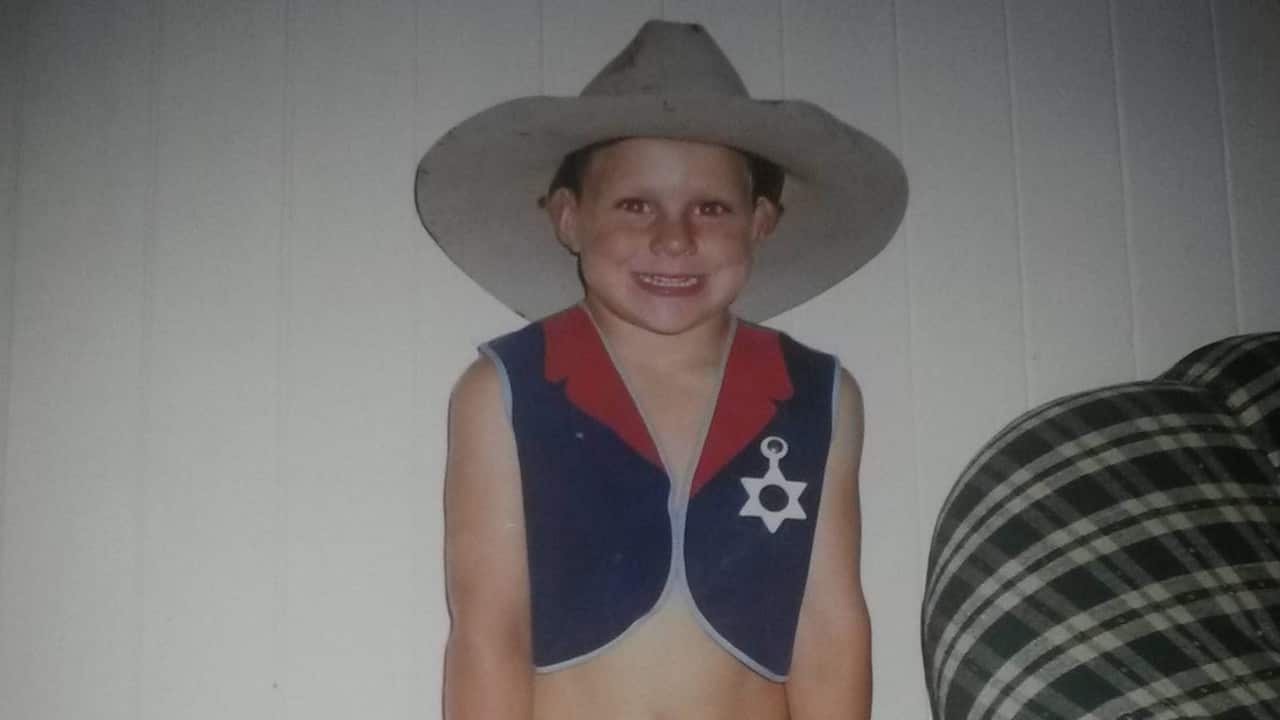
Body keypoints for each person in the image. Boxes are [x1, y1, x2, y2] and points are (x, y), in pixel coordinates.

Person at [415, 20, 907, 720]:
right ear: (569, 218)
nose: (674, 239)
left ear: (760, 222)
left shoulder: (816, 398)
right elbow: (490, 631)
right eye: (635, 205)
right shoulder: (506, 393)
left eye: (710, 208)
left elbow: (829, 629)